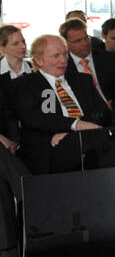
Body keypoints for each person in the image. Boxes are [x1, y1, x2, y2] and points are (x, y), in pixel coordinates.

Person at [13, 34, 109, 174]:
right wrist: (74, 126)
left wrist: (81, 130)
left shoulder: (82, 80)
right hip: (50, 149)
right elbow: (36, 119)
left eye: (65, 54)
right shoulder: (26, 85)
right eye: (56, 56)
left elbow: (104, 112)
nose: (63, 60)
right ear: (39, 60)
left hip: (90, 140)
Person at [61, 18, 115, 105]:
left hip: (112, 112)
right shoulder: (62, 65)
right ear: (65, 43)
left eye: (86, 38)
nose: (85, 43)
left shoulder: (109, 58)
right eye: (78, 41)